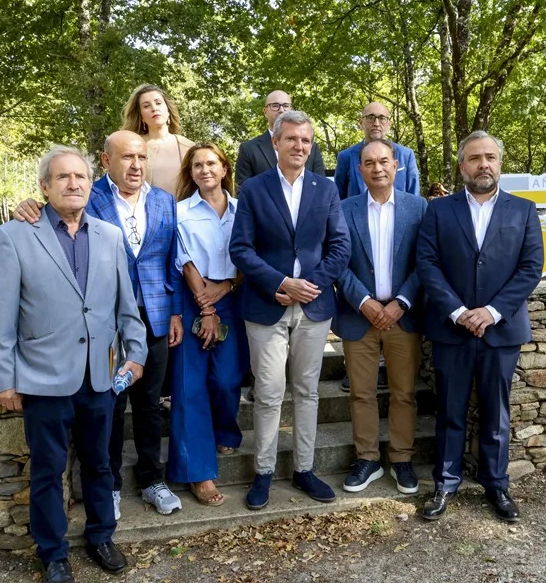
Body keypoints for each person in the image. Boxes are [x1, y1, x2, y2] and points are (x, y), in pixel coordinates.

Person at [0, 145, 147, 583]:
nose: (73, 183)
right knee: (47, 471)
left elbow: (126, 308)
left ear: (91, 183)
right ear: (44, 187)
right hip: (42, 377)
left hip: (100, 378)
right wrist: (6, 380)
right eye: (62, 177)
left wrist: (136, 357)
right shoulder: (15, 236)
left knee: (100, 465)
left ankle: (101, 536)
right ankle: (53, 552)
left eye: (80, 176)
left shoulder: (110, 236)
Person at [12, 131, 185, 520]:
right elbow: (55, 216)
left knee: (149, 403)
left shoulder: (164, 201)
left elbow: (172, 259)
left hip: (154, 318)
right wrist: (29, 205)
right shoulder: (90, 195)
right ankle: (109, 486)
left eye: (141, 157)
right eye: (127, 157)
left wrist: (174, 310)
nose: (136, 165)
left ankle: (151, 477)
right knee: (111, 404)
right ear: (106, 162)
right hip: (103, 322)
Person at [416, 131, 543, 523]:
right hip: (451, 329)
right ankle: (446, 482)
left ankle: (496, 483)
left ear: (500, 163)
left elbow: (530, 268)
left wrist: (491, 311)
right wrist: (457, 311)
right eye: (474, 158)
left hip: (501, 331)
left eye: (490, 157)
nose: (483, 164)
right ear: (462, 167)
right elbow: (428, 264)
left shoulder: (523, 211)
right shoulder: (438, 211)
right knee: (450, 410)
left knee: (495, 412)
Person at [229, 111, 351, 510]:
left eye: (306, 140)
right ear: (276, 143)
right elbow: (241, 248)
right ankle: (263, 473)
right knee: (267, 392)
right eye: (292, 139)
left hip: (315, 306)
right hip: (266, 305)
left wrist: (307, 285)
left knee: (307, 391)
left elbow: (340, 246)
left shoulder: (325, 189)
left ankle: (304, 468)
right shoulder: (253, 189)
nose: (300, 146)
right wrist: (280, 283)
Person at [333, 139, 427, 495]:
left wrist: (401, 301)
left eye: (384, 161)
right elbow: (336, 262)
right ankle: (368, 459)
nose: (377, 168)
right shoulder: (343, 208)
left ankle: (402, 459)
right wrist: (365, 303)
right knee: (362, 393)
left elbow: (426, 263)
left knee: (404, 393)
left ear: (396, 165)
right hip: (360, 316)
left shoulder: (418, 208)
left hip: (403, 315)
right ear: (360, 170)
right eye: (369, 163)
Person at [167, 142, 250, 506]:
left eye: (211, 163)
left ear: (224, 168)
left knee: (228, 378)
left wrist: (227, 287)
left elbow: (251, 255)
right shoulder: (179, 211)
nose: (204, 170)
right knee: (190, 386)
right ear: (191, 173)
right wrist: (206, 304)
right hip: (192, 297)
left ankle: (225, 432)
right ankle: (198, 471)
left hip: (231, 296)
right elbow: (183, 259)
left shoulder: (242, 210)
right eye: (197, 165)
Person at [234, 90, 326, 188]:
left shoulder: (311, 147)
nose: (281, 110)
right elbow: (242, 191)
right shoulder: (249, 149)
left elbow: (321, 187)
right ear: (265, 111)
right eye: (275, 105)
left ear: (291, 109)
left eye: (286, 106)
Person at [334, 102, 420, 200]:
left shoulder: (406, 155)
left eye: (382, 118)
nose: (376, 123)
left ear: (389, 123)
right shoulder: (345, 157)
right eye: (370, 117)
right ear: (361, 122)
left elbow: (414, 197)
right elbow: (338, 199)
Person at [121, 83, 194, 195]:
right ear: (141, 117)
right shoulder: (131, 147)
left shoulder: (189, 147)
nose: (154, 108)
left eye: (158, 103)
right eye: (146, 106)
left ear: (168, 110)